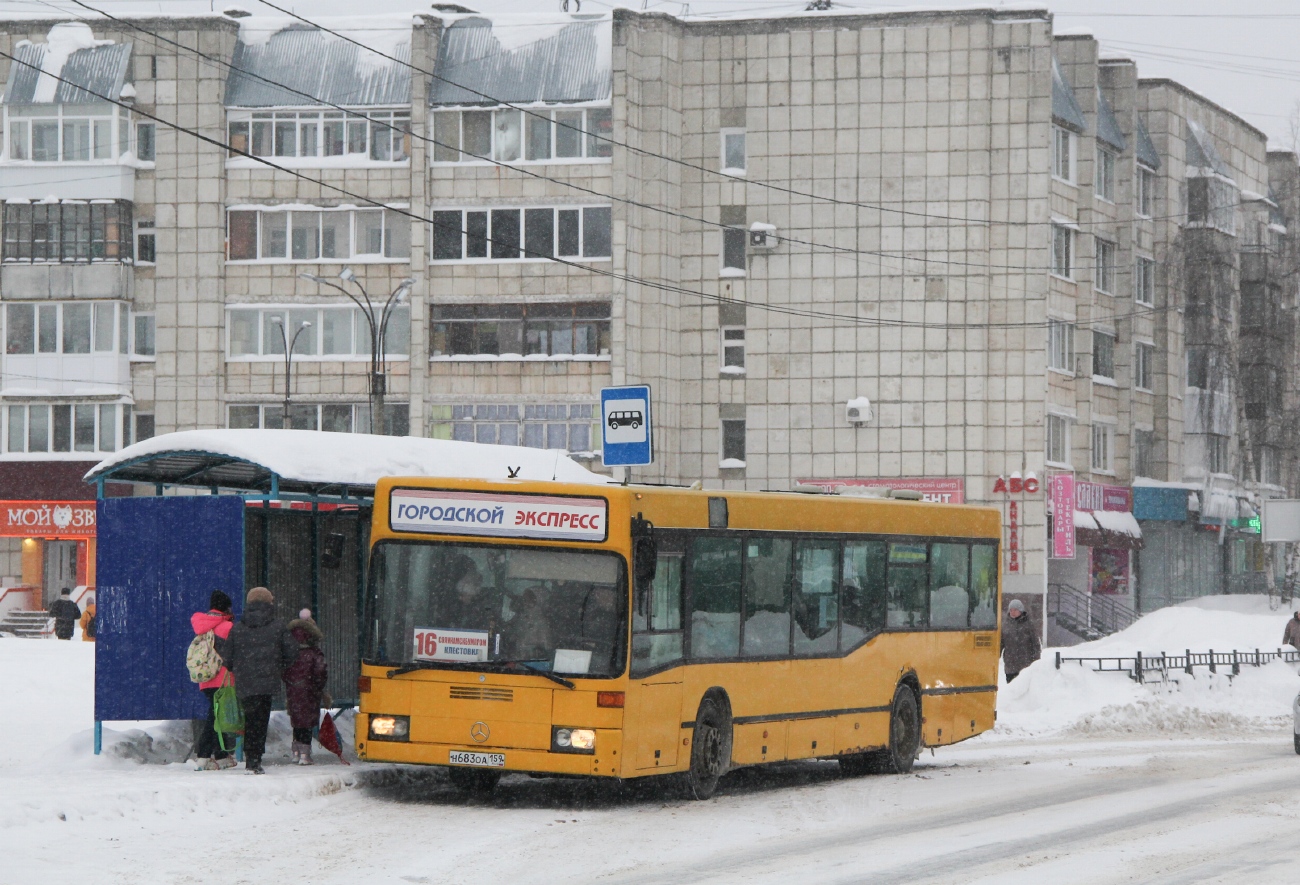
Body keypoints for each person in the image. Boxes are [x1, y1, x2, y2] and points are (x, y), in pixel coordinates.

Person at [223, 587, 295, 775]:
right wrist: (278, 666)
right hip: (267, 681)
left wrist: (240, 668)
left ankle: (250, 757)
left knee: (249, 719)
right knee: (260, 720)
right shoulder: (278, 626)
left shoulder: (237, 628)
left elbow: (227, 658)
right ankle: (255, 760)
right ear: (269, 603)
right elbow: (292, 653)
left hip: (245, 682)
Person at [190, 591, 237, 771]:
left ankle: (221, 755)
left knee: (217, 716)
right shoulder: (227, 627)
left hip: (206, 679)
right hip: (223, 679)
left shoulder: (202, 625)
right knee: (215, 718)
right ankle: (203, 755)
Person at [283, 608, 329, 766]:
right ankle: (305, 754)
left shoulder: (290, 651)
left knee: (296, 719)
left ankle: (295, 751)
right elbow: (320, 671)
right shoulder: (314, 653)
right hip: (310, 690)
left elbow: (283, 669)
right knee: (307, 721)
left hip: (293, 689)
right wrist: (319, 686)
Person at [1001, 598, 1042, 683]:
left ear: (1020, 610)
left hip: (1025, 665)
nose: (1012, 612)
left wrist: (1036, 661)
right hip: (1010, 666)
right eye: (1011, 610)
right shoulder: (1005, 625)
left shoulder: (1028, 624)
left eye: (1015, 610)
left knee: (1024, 690)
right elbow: (1001, 643)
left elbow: (1035, 643)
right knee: (1011, 690)